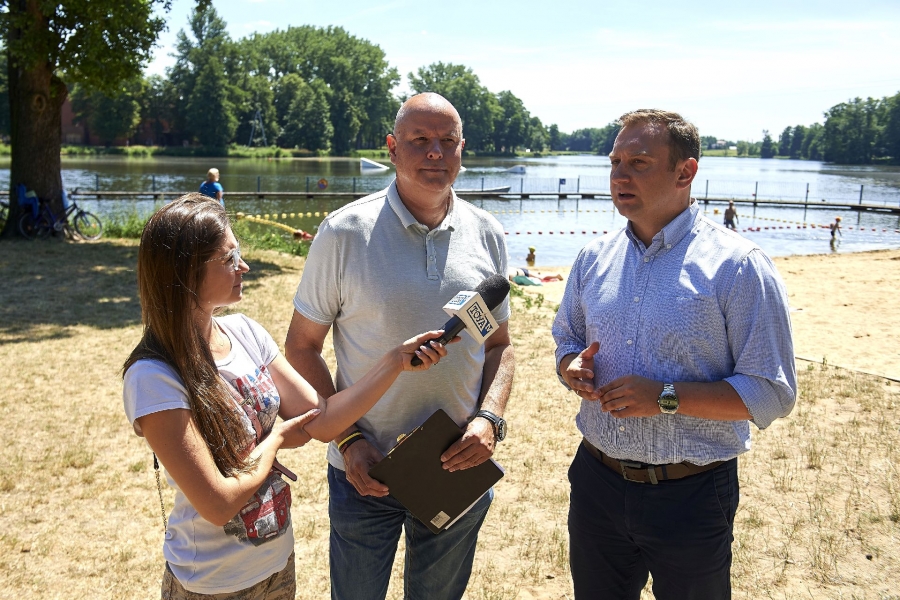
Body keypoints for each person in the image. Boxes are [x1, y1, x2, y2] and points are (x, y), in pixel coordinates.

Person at [122, 194, 451, 599]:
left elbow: (321, 419)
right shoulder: (153, 376)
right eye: (228, 258)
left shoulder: (244, 332)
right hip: (211, 582)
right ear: (186, 271)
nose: (244, 266)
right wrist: (275, 439)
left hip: (276, 564)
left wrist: (394, 363)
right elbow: (218, 504)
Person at [552, 109, 796, 599]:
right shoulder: (592, 257)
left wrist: (663, 397)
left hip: (691, 493)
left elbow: (771, 393)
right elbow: (567, 338)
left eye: (639, 163)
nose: (620, 176)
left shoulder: (739, 267)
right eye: (615, 162)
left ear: (685, 172)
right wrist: (570, 367)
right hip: (597, 481)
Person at [284, 93, 515, 600]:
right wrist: (348, 441)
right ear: (392, 148)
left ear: (462, 150)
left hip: (455, 464)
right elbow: (301, 347)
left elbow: (499, 345)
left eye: (447, 141)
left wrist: (489, 420)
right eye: (420, 140)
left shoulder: (488, 233)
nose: (435, 152)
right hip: (365, 468)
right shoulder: (344, 232)